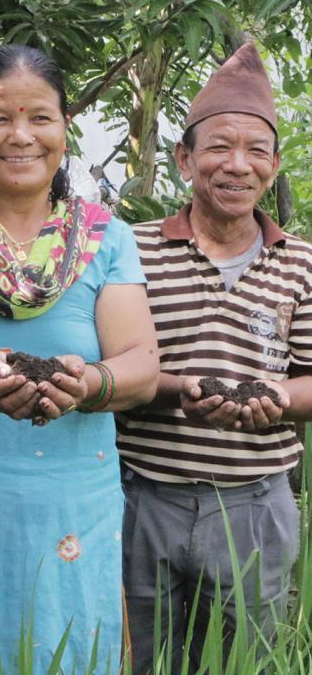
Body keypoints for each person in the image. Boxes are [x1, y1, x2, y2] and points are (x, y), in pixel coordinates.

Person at [0, 44, 159, 674]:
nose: (21, 135)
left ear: (64, 131)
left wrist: (89, 382)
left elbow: (141, 364)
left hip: (72, 506)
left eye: (40, 117)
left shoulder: (104, 236)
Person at [116, 42, 312, 673]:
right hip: (141, 496)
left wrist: (277, 400)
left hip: (256, 503)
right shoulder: (129, 249)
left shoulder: (302, 263)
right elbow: (110, 363)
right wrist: (178, 388)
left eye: (257, 151)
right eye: (219, 147)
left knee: (243, 660)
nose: (238, 165)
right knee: (138, 656)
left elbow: (309, 380)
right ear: (184, 158)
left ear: (275, 165)